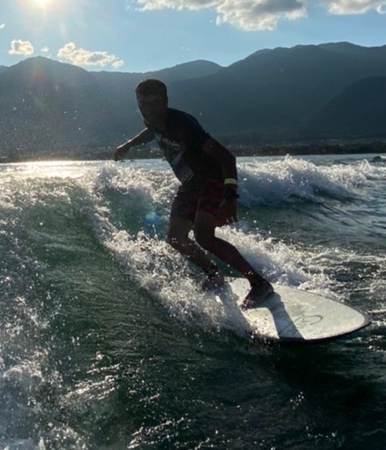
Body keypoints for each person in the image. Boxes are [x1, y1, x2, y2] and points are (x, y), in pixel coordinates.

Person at [113, 78, 274, 309]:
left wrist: (230, 199)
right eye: (143, 105)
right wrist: (128, 144)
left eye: (155, 104)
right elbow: (151, 132)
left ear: (166, 102)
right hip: (190, 186)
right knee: (176, 238)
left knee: (203, 237)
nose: (149, 110)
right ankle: (213, 274)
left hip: (212, 180)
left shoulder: (184, 125)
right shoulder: (153, 120)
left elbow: (227, 157)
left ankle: (259, 283)